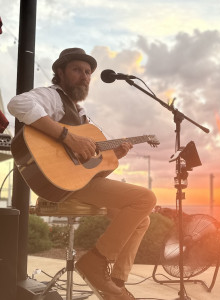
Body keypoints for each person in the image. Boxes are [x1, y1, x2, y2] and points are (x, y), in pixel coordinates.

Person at [8, 48, 157, 300]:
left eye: (88, 72)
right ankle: (95, 264)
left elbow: (91, 162)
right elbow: (17, 104)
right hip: (61, 183)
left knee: (143, 219)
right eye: (77, 70)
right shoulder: (52, 96)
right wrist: (68, 137)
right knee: (146, 199)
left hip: (78, 182)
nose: (85, 76)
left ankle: (116, 285)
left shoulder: (82, 115)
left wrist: (114, 155)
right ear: (60, 72)